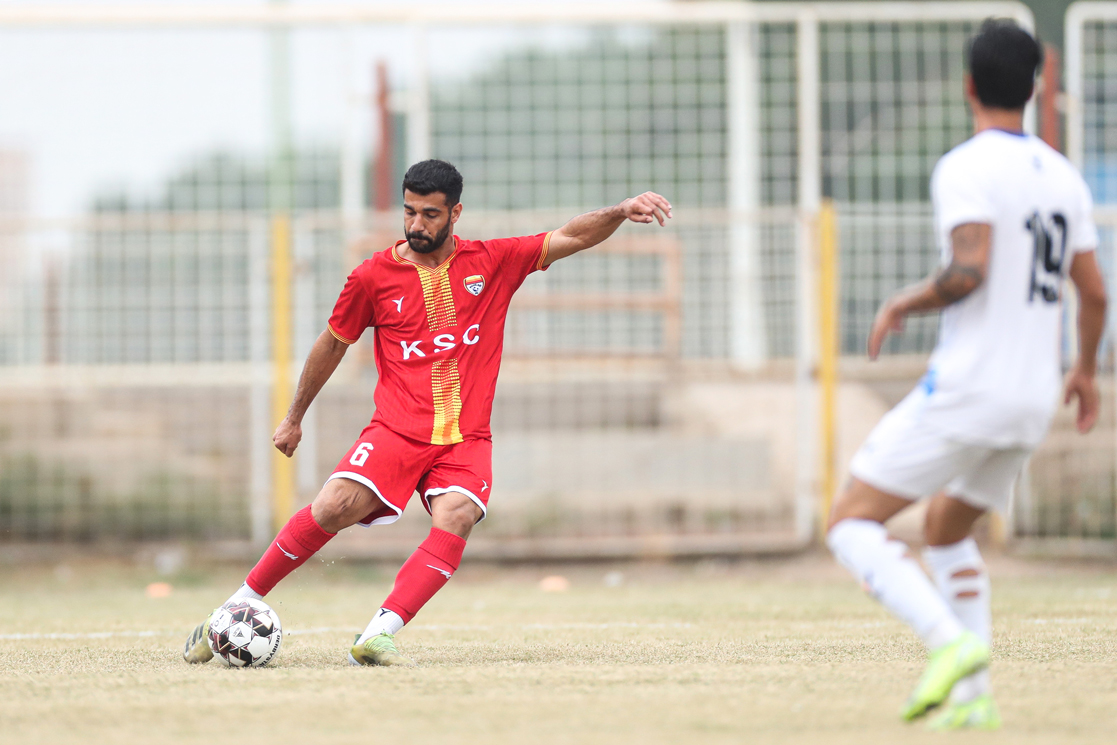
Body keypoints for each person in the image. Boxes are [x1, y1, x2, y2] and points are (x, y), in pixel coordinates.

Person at [183, 159, 672, 666]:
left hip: (466, 437)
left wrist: (620, 210)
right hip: (397, 430)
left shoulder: (493, 261)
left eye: (430, 214)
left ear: (455, 213)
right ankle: (234, 607)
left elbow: (571, 235)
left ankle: (378, 634)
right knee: (334, 506)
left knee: (457, 514)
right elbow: (333, 343)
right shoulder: (372, 276)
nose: (416, 224)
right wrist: (293, 417)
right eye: (409, 212)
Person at [826, 19, 1107, 731]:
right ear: (1033, 88)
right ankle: (974, 696)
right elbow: (1095, 293)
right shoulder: (1063, 176)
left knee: (849, 522)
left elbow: (968, 269)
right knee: (946, 529)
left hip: (972, 386)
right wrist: (1084, 370)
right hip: (1032, 398)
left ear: (968, 85)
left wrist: (904, 301)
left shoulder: (965, 166)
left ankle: (946, 641)